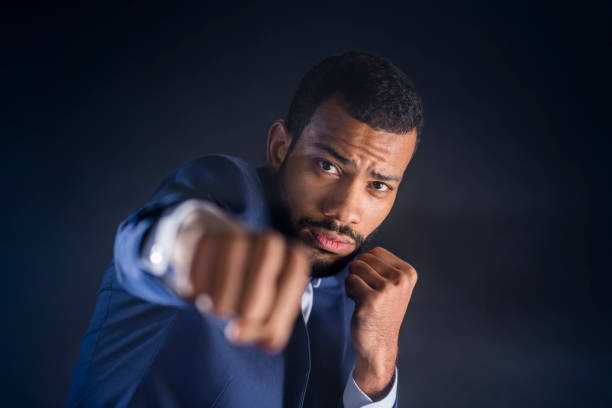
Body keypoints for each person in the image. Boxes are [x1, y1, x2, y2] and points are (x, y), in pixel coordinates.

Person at [67, 51, 424, 407]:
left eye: (378, 186)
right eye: (327, 166)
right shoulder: (226, 194)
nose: (345, 211)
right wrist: (187, 243)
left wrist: (378, 366)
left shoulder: (358, 297)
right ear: (279, 148)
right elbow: (147, 240)